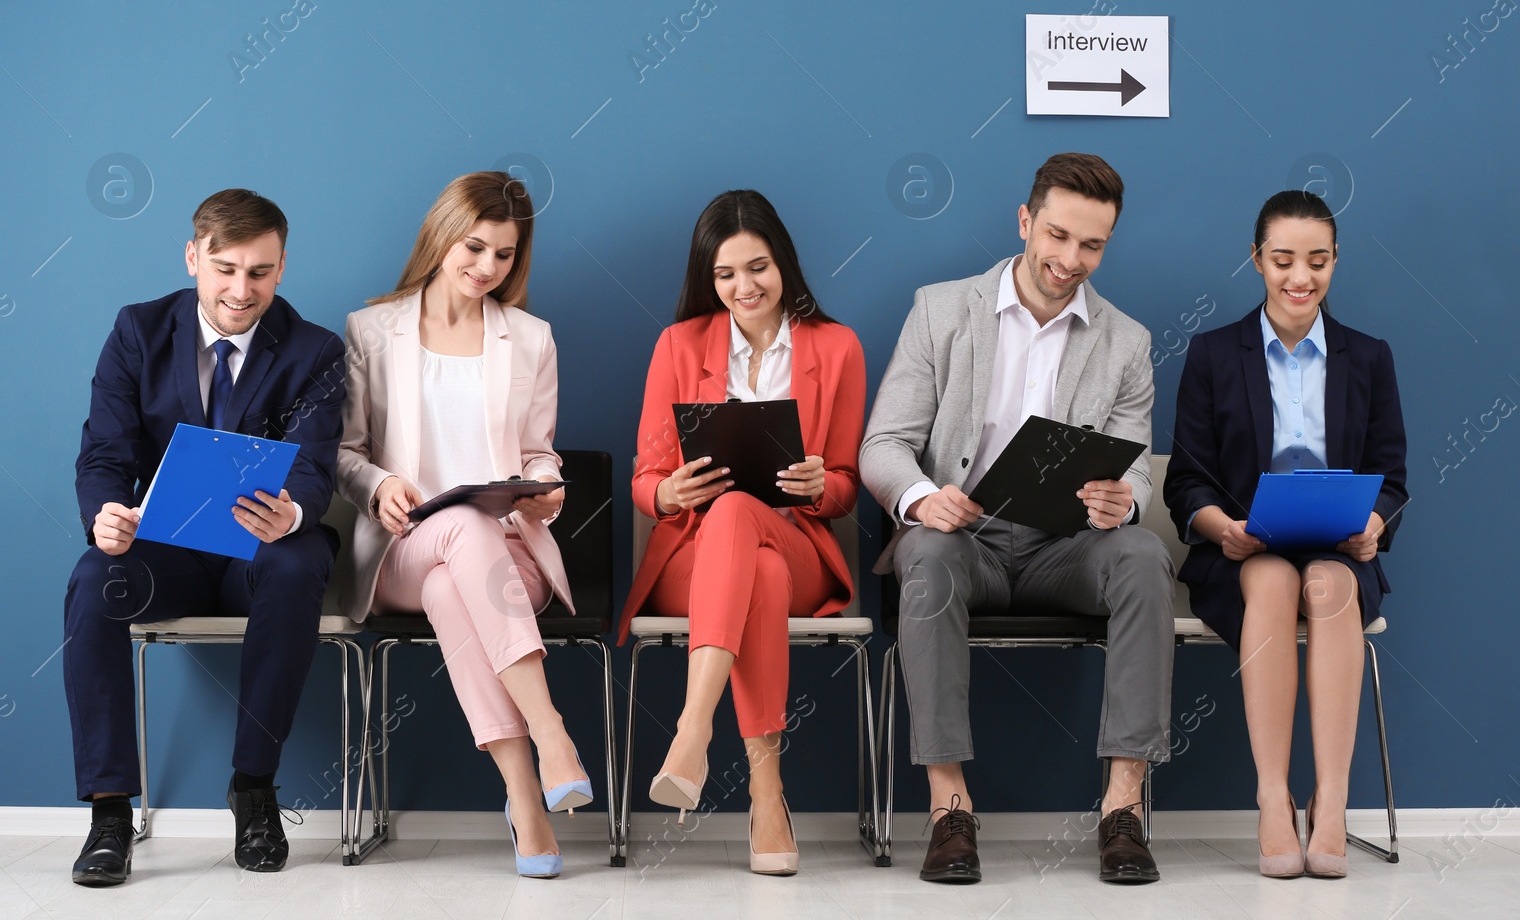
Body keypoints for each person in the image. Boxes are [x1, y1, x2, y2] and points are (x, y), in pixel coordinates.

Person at [860, 152, 1176, 886]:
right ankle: (949, 807)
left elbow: (1132, 462)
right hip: (962, 543)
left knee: (1143, 557)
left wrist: (1124, 497)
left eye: (1092, 245)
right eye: (1058, 235)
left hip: (1066, 548)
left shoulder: (1127, 342)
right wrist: (920, 499)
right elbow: (883, 446)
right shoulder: (941, 310)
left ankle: (1123, 807)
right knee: (929, 554)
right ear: (1026, 221)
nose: (1071, 259)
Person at [66, 189, 347, 885]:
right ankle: (108, 812)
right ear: (193, 256)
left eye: (259, 271)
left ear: (282, 267)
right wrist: (106, 511)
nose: (240, 289)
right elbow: (105, 451)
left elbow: (316, 462)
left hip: (260, 548)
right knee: (92, 579)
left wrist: (294, 512)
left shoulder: (315, 350)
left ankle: (254, 789)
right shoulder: (137, 330)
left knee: (299, 558)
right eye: (224, 268)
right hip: (169, 551)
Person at [336, 172, 589, 879]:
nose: (486, 268)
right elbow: (343, 453)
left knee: (461, 573)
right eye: (474, 247)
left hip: (509, 557)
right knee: (456, 539)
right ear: (441, 235)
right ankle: (552, 733)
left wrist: (546, 490)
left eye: (504, 255)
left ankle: (523, 797)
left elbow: (539, 449)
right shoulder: (371, 330)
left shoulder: (531, 338)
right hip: (401, 549)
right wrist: (380, 483)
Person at [1164, 190, 1407, 879]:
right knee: (1273, 576)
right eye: (1283, 260)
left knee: (1327, 583)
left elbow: (1392, 475)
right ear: (1256, 259)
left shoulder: (1368, 356)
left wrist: (1374, 524)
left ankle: (1330, 799)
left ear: (1335, 262)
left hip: (1338, 551)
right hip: (1242, 552)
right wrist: (1223, 528)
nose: (1301, 277)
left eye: (1318, 260)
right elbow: (1185, 479)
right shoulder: (1213, 354)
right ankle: (1273, 796)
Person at [623, 190, 865, 876]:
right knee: (745, 546)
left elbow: (847, 482)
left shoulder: (836, 346)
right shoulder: (679, 343)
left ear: (782, 262)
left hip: (799, 539)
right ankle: (766, 791)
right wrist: (669, 490)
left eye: (757, 267)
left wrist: (823, 484)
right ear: (709, 278)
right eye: (726, 274)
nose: (743, 287)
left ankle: (693, 729)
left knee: (751, 532)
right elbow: (646, 480)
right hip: (694, 553)